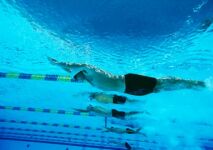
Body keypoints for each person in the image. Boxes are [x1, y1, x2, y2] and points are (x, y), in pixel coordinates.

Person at [48, 57, 206, 96]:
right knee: (160, 89)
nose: (76, 80)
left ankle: (197, 83)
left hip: (129, 81)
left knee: (160, 83)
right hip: (128, 90)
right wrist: (62, 67)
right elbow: (70, 70)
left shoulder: (89, 70)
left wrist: (58, 63)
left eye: (76, 77)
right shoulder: (87, 78)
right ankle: (192, 86)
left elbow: (78, 66)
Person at [74, 104, 144, 120]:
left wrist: (76, 109)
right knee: (126, 115)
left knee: (126, 115)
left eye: (89, 109)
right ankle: (139, 113)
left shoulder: (94, 109)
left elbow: (84, 110)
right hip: (112, 112)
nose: (89, 110)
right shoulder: (96, 107)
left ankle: (140, 112)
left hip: (112, 113)